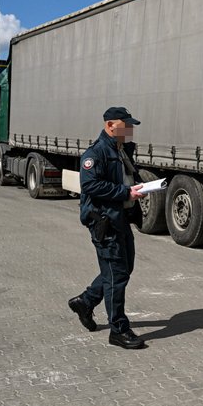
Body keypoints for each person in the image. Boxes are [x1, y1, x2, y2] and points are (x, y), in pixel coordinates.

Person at [68, 107, 146, 349]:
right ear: (111, 125)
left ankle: (86, 301)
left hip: (120, 218)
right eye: (126, 125)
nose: (130, 130)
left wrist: (138, 186)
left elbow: (125, 178)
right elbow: (90, 186)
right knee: (116, 275)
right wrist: (124, 192)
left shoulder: (121, 150)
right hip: (104, 220)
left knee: (124, 267)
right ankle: (118, 330)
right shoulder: (96, 152)